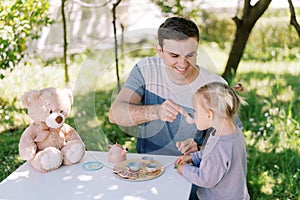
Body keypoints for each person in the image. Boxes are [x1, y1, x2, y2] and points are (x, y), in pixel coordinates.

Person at [109, 16, 228, 156]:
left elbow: (228, 140)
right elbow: (115, 114)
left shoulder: (215, 86)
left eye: (190, 55)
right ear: (160, 51)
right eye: (174, 56)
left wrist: (201, 147)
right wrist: (156, 112)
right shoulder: (146, 69)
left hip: (195, 171)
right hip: (148, 166)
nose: (183, 64)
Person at [174, 82, 250, 200]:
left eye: (196, 110)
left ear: (209, 115)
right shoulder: (233, 132)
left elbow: (204, 179)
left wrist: (183, 169)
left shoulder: (218, 146)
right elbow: (215, 156)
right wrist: (194, 157)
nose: (194, 114)